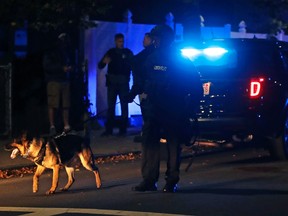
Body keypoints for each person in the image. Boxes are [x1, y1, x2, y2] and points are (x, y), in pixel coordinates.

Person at [132, 25, 203, 193]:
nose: (154, 41)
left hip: (173, 110)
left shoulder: (180, 60)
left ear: (165, 39)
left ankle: (171, 180)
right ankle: (150, 180)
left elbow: (195, 87)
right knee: (150, 144)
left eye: (156, 38)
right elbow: (141, 81)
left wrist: (189, 109)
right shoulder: (151, 58)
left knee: (173, 144)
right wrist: (133, 93)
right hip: (154, 110)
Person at [98, 33, 133, 137]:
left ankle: (123, 130)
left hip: (123, 82)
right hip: (112, 82)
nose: (121, 43)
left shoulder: (127, 52)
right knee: (111, 106)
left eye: (122, 41)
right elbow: (100, 65)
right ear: (115, 41)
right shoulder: (111, 52)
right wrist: (104, 62)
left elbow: (133, 64)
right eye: (119, 41)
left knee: (124, 106)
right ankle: (109, 130)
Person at [43, 33, 73, 136]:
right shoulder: (51, 52)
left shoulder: (66, 52)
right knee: (53, 104)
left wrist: (68, 68)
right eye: (62, 40)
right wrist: (61, 68)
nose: (64, 42)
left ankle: (66, 125)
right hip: (54, 80)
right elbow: (47, 66)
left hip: (64, 80)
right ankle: (52, 126)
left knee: (66, 104)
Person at [128, 32, 155, 141]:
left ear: (151, 40)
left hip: (145, 89)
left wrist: (135, 90)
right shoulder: (151, 54)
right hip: (148, 88)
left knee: (147, 114)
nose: (143, 41)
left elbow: (136, 65)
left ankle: (148, 135)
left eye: (145, 39)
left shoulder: (144, 56)